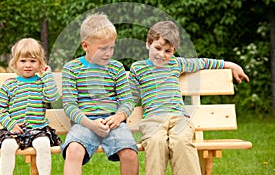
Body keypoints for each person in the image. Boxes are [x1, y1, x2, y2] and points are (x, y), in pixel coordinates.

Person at [128, 21, 249, 175]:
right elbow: (130, 96)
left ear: (174, 51)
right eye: (157, 48)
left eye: (168, 51)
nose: (162, 55)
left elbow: (203, 62)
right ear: (148, 44)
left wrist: (231, 65)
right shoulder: (138, 68)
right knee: (156, 142)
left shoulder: (176, 64)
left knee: (181, 141)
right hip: (153, 120)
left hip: (179, 119)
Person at [61, 13, 139, 175]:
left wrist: (118, 117)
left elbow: (127, 101)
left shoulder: (116, 68)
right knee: (73, 150)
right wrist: (90, 123)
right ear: (85, 46)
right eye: (102, 48)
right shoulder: (72, 69)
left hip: (113, 123)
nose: (108, 53)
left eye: (111, 47)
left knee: (130, 153)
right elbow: (69, 105)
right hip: (84, 124)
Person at [0, 38, 61, 175]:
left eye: (33, 61)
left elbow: (52, 98)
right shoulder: (9, 85)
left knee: (43, 145)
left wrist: (47, 76)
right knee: (7, 146)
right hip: (15, 130)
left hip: (38, 130)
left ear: (40, 63)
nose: (28, 65)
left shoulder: (42, 83)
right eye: (23, 61)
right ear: (15, 63)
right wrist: (10, 124)